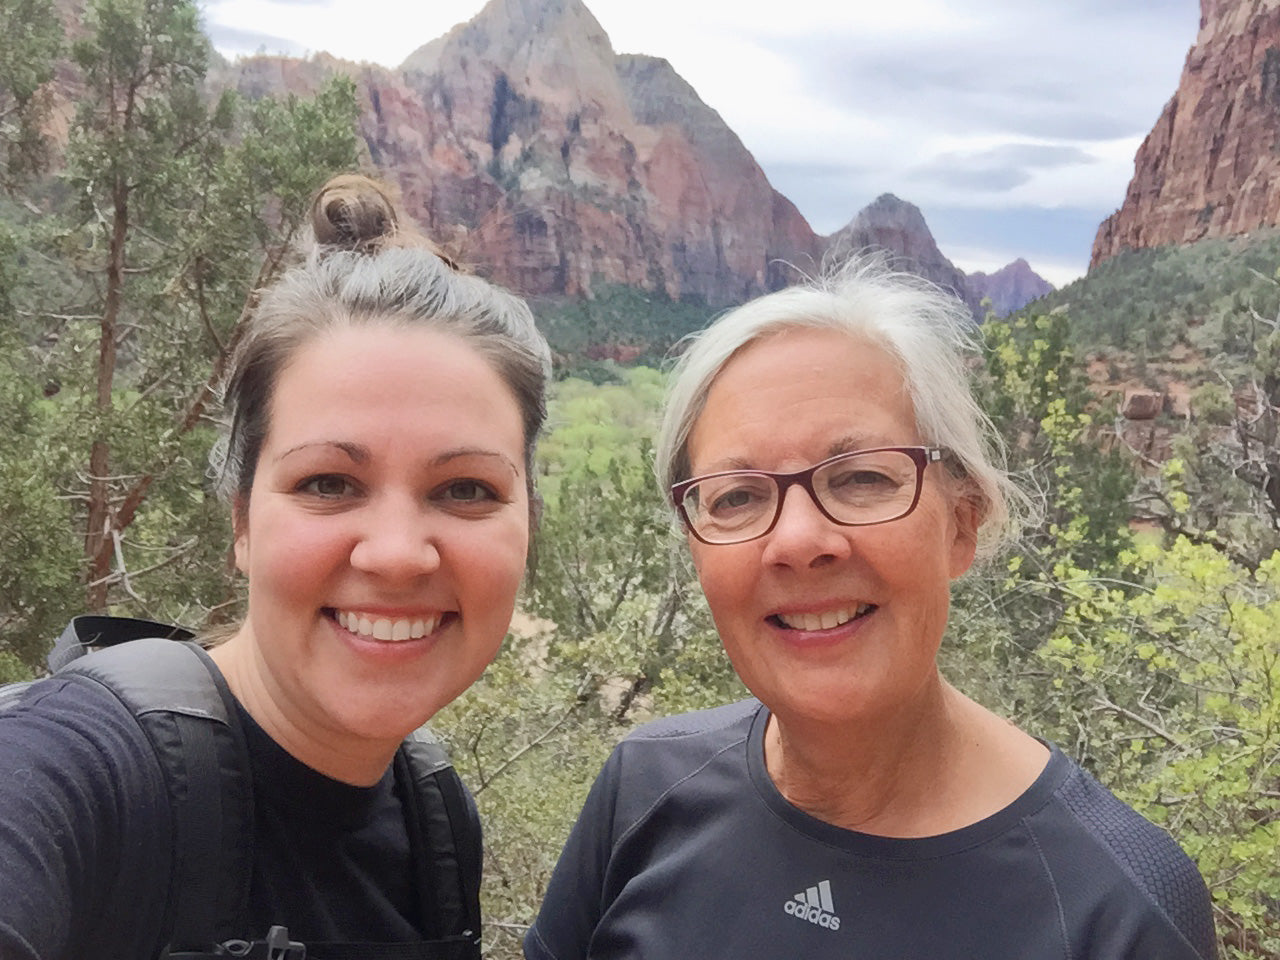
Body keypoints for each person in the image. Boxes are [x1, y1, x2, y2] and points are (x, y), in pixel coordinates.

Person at [524, 258, 1217, 960]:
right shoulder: (644, 787)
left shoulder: (1121, 906)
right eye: (737, 495)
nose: (797, 541)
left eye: (861, 477)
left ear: (962, 522)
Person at [0, 174, 552, 960]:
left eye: (466, 489)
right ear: (241, 520)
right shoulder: (83, 769)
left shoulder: (436, 823)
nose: (396, 554)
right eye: (328, 482)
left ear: (528, 520)